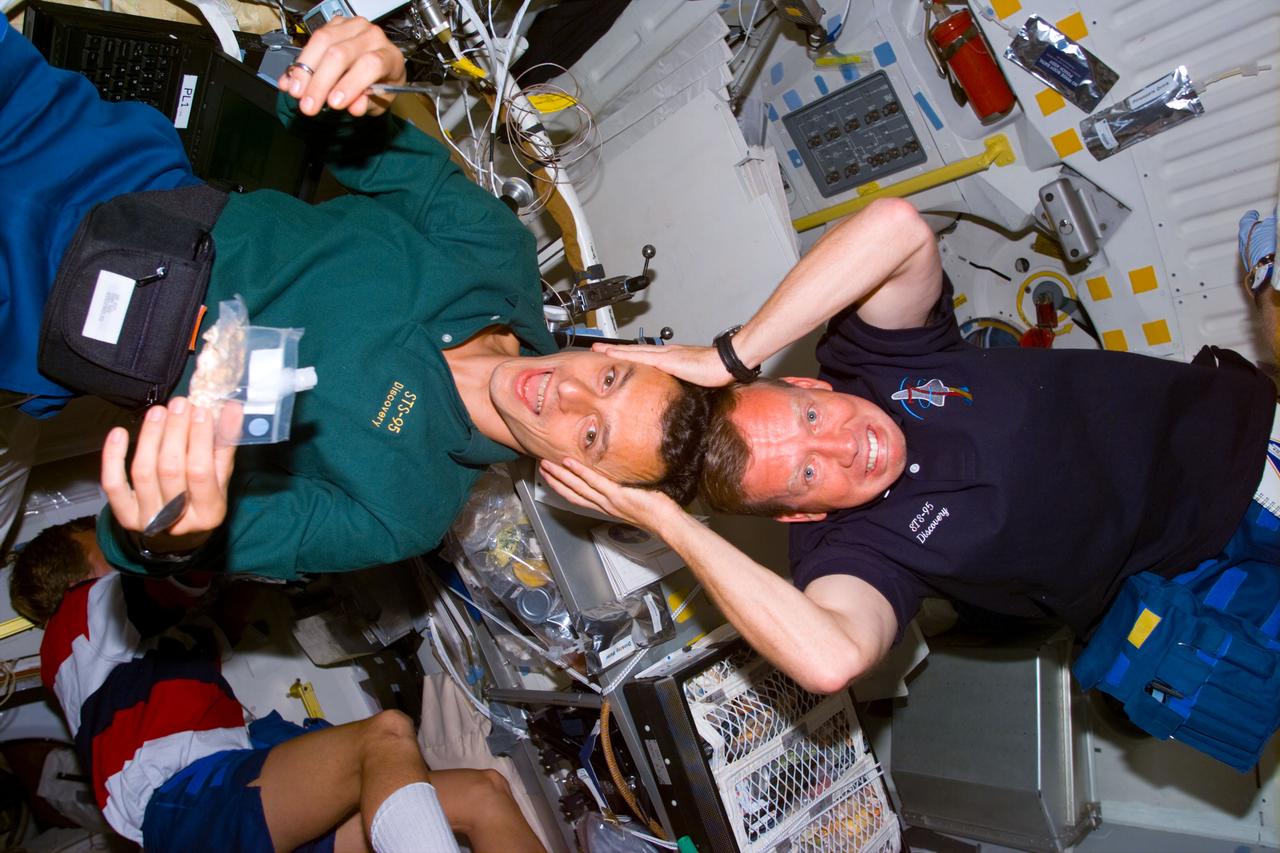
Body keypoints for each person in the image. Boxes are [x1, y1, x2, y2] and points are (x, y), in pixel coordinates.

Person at [0, 18, 709, 578]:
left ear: (572, 477)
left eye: (592, 436)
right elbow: (318, 117)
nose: (568, 396)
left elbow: (134, 540)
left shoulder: (405, 510)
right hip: (94, 158)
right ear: (609, 351)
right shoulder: (498, 253)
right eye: (610, 379)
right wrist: (365, 73)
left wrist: (175, 534)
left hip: (40, 311)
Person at [538, 197, 1277, 706]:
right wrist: (670, 524)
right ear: (803, 516)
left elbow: (897, 227)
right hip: (1201, 580)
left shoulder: (875, 361)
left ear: (807, 381)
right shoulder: (856, 551)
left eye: (808, 413)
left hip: (1239, 441)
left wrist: (731, 355)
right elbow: (831, 660)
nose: (842, 443)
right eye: (806, 472)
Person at [10, 517, 546, 853]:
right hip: (179, 801)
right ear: (86, 565)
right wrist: (203, 523)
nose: (121, 547)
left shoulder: (120, 658)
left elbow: (219, 619)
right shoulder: (82, 612)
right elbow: (172, 579)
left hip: (224, 789)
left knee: (483, 794)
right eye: (105, 542)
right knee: (383, 738)